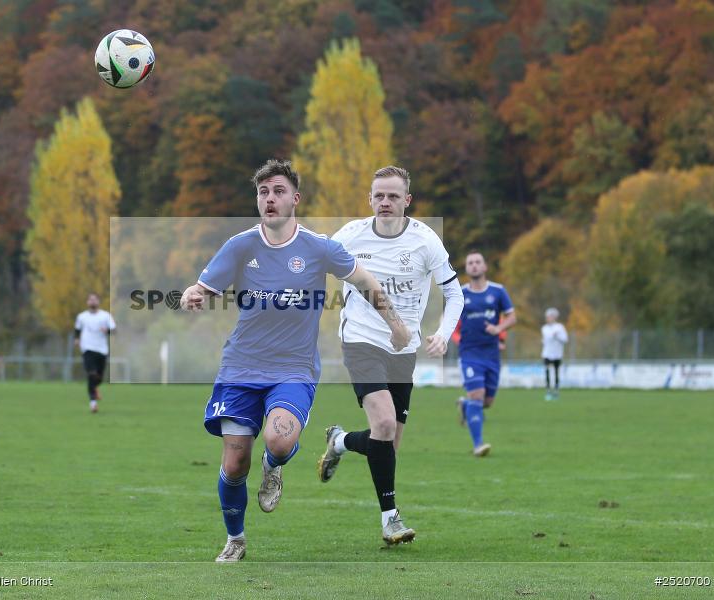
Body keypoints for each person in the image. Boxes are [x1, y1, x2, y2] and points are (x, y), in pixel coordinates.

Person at [179, 159, 412, 562]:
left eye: (278, 192)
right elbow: (203, 287)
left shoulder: (318, 248)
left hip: (293, 370)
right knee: (234, 463)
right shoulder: (240, 245)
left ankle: (274, 465)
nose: (270, 199)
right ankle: (235, 539)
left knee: (279, 440)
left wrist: (395, 324)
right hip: (240, 369)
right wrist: (193, 295)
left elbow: (364, 281)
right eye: (263, 192)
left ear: (295, 199)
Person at [316, 166, 464, 545]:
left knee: (388, 445)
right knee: (383, 426)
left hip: (404, 350)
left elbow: (454, 294)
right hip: (362, 340)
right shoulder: (349, 235)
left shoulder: (425, 241)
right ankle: (390, 520)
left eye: (393, 196)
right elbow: (314, 269)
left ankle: (341, 441)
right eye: (379, 195)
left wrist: (443, 335)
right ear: (370, 199)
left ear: (407, 201)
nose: (385, 202)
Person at [455, 252, 516, 457]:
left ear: (485, 266)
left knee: (486, 402)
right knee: (477, 395)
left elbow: (512, 317)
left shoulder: (498, 291)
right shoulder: (460, 293)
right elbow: (448, 319)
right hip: (469, 353)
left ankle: (465, 406)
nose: (473, 266)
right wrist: (443, 339)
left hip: (491, 354)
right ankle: (478, 444)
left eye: (477, 262)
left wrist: (499, 330)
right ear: (467, 268)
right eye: (470, 263)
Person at [74, 293, 116, 413]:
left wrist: (107, 330)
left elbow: (114, 330)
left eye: (94, 300)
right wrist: (77, 339)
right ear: (87, 302)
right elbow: (77, 329)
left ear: (98, 302)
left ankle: (96, 387)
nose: (92, 302)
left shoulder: (105, 316)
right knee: (91, 374)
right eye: (90, 300)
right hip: (87, 349)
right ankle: (93, 403)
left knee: (99, 378)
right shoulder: (82, 317)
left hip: (102, 350)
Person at [541, 307, 568, 401]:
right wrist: (552, 335)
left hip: (557, 354)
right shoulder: (544, 328)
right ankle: (548, 391)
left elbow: (565, 339)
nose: (548, 318)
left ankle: (556, 391)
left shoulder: (560, 327)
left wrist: (557, 335)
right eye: (547, 317)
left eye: (550, 317)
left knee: (556, 373)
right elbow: (546, 340)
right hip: (547, 354)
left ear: (554, 317)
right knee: (547, 372)